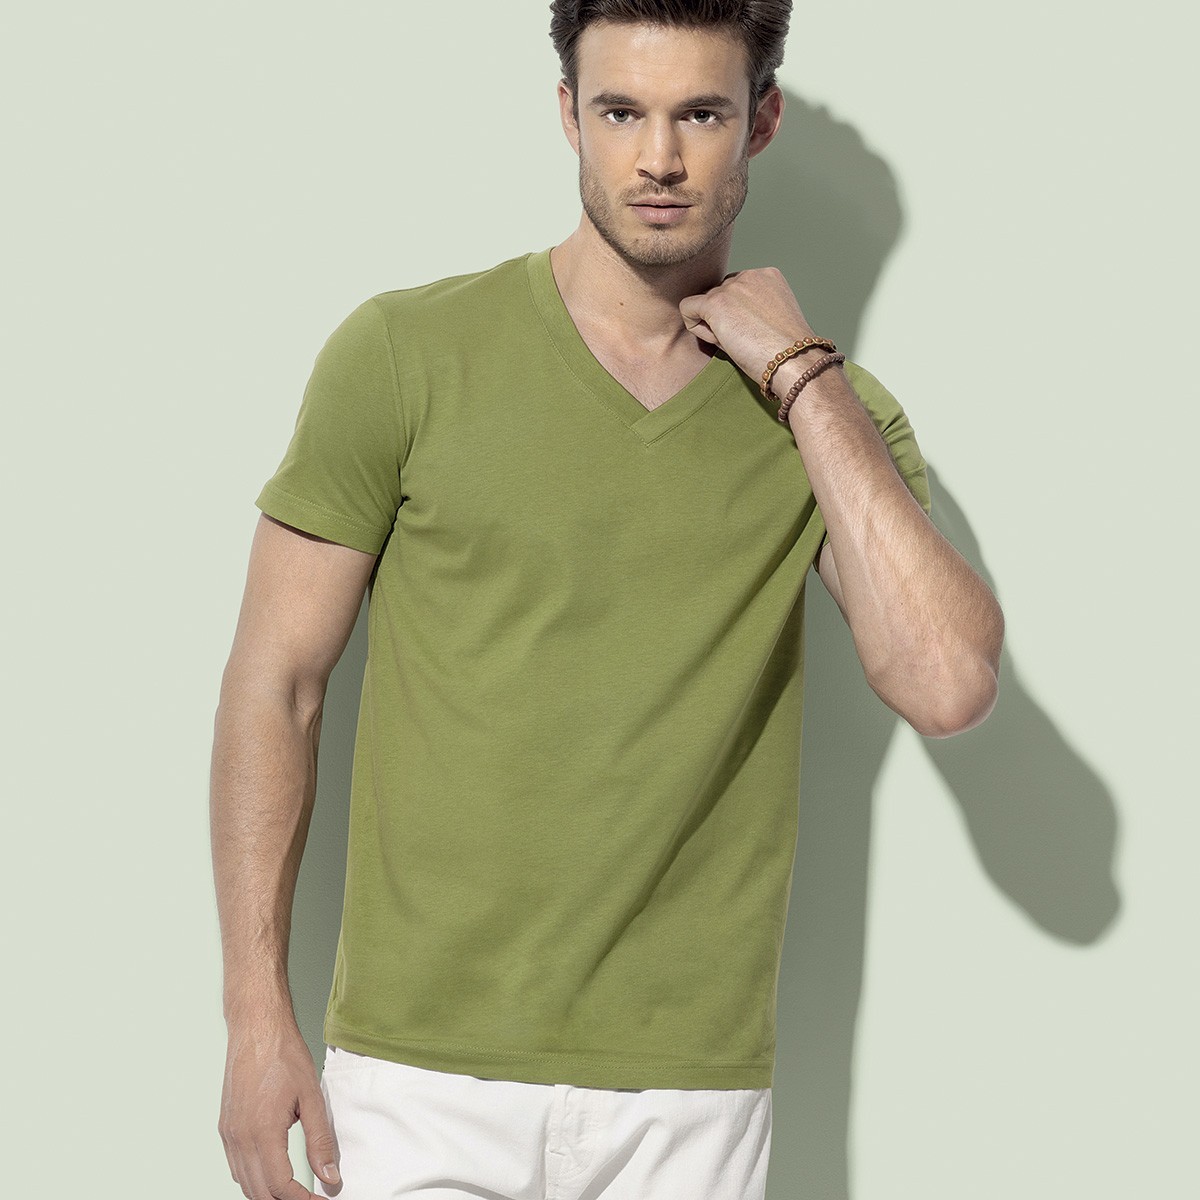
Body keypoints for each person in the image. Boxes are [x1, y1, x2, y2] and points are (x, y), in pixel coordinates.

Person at [210, 2, 1005, 1197]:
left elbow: (946, 683)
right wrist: (252, 1016)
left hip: (688, 1097)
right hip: (422, 1080)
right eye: (622, 112)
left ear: (761, 123)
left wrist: (802, 378)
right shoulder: (404, 355)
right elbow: (277, 685)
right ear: (568, 114)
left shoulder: (829, 419)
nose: (659, 158)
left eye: (702, 115)